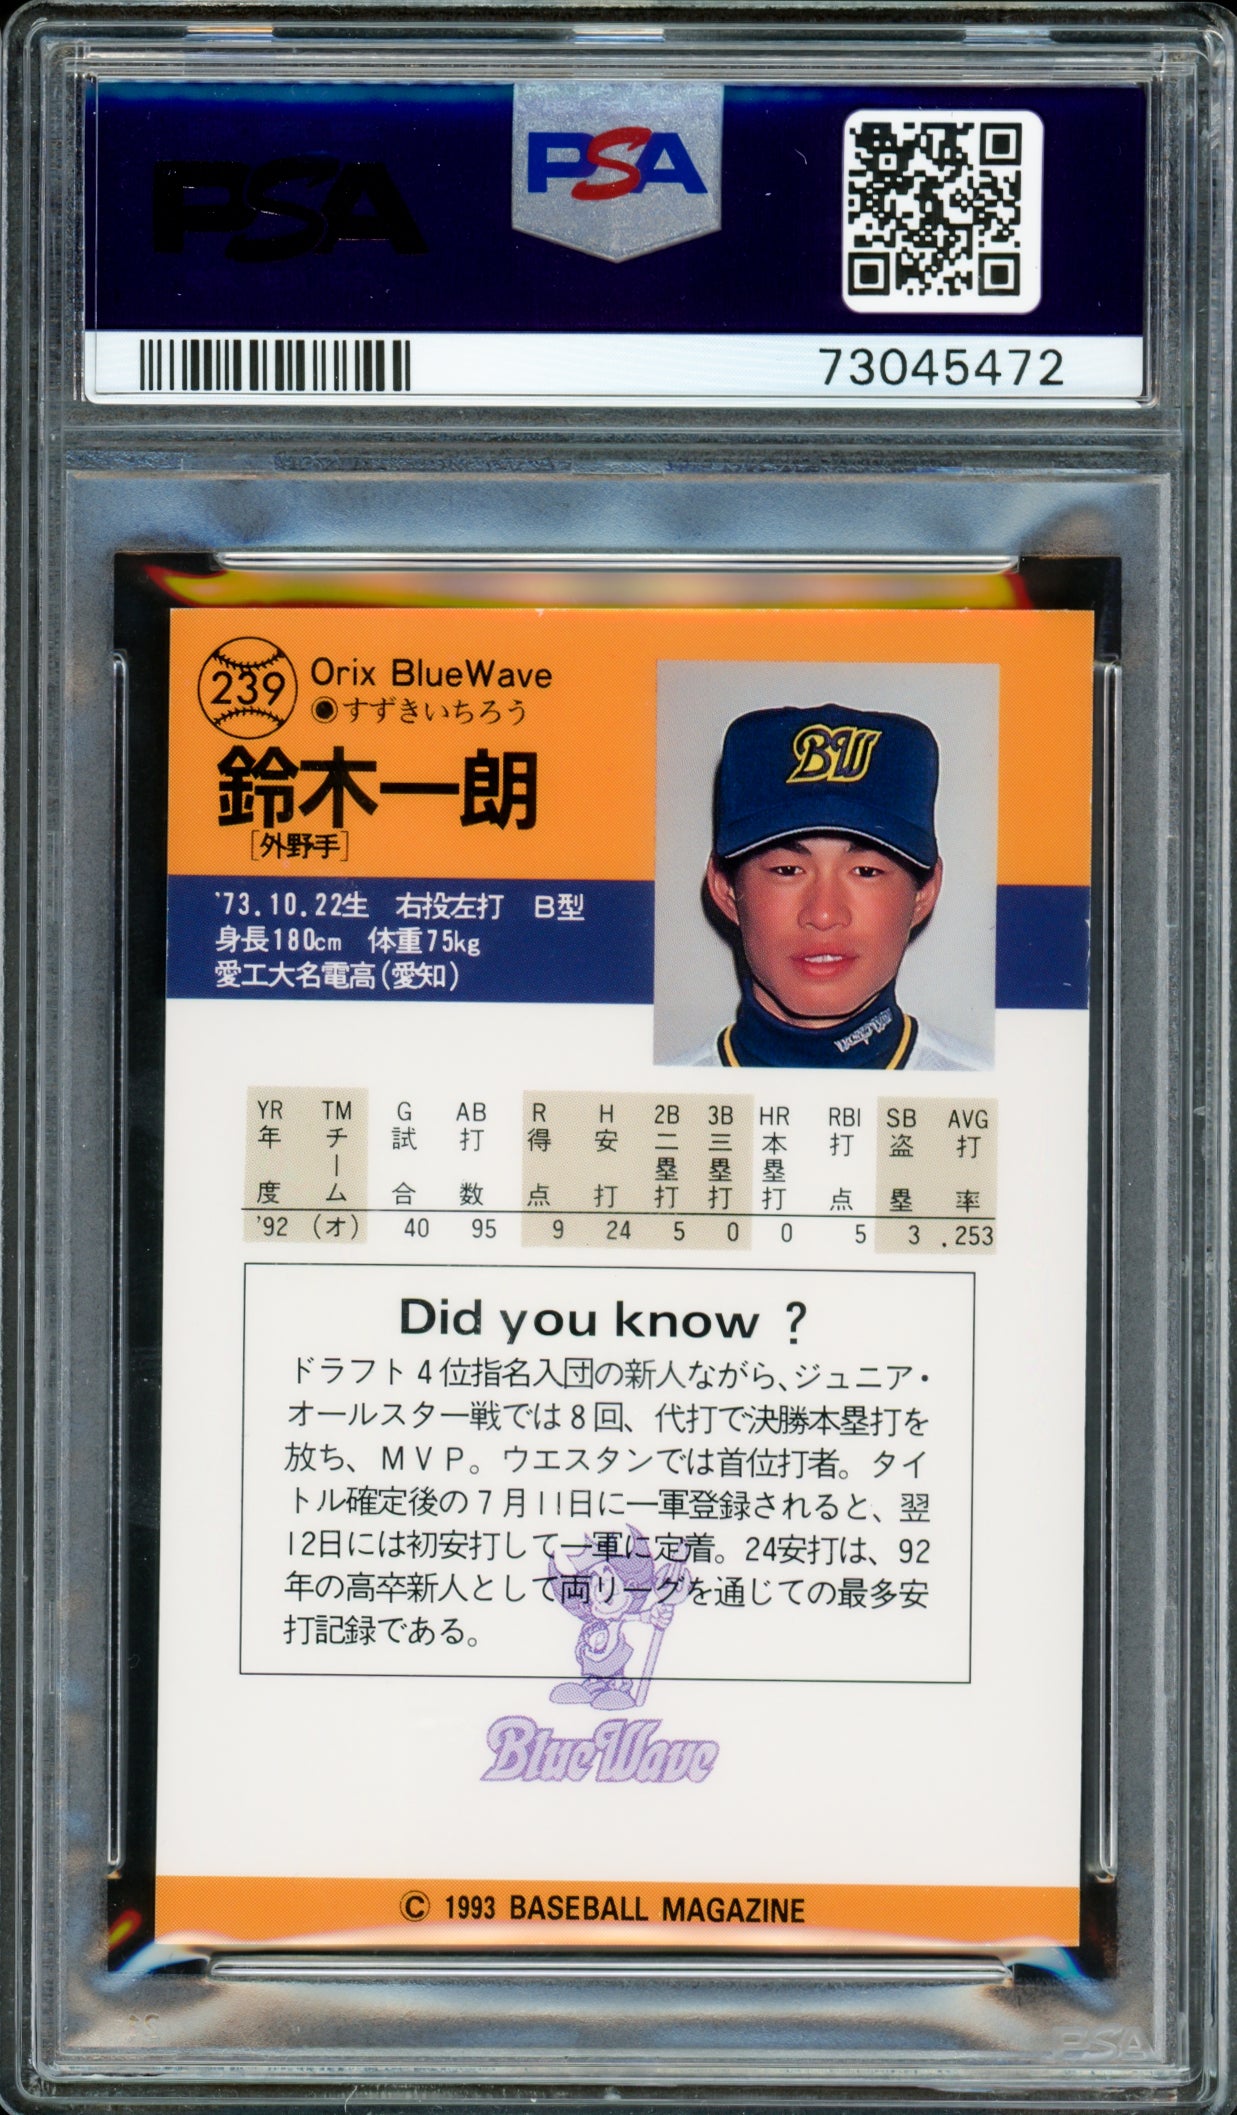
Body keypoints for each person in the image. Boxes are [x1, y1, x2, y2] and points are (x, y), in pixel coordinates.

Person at [677, 704, 986, 1069]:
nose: (824, 914)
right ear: (725, 888)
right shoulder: (658, 1094)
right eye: (787, 870)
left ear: (924, 893)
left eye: (866, 871)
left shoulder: (996, 1092)